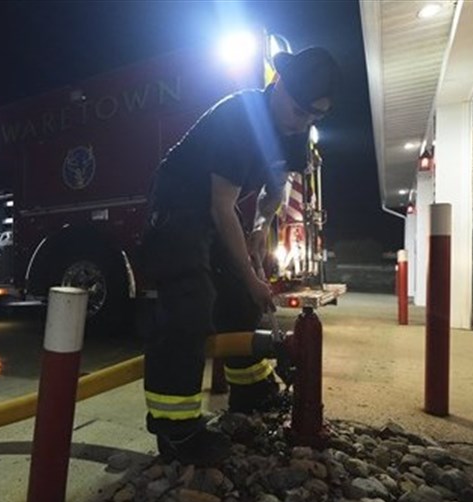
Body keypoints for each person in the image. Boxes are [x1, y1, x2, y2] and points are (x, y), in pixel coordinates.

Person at [140, 46, 341, 466]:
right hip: (179, 204)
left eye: (313, 117)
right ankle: (175, 431)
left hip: (219, 210)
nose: (302, 122)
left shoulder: (296, 125)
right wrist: (252, 274)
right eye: (299, 110)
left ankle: (252, 391)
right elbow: (220, 205)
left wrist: (257, 231)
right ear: (278, 83)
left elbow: (277, 186)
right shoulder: (240, 118)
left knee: (239, 299)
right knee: (191, 304)